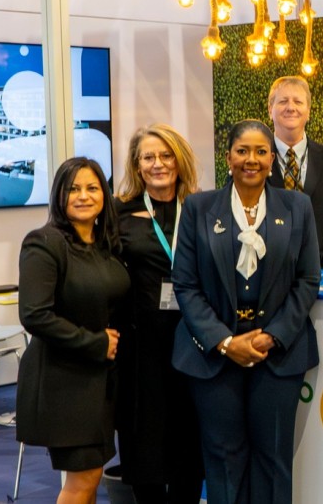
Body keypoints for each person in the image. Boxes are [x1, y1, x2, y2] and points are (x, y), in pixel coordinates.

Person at [171, 120, 322, 504]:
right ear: (229, 158)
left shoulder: (298, 206)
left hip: (278, 355)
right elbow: (186, 285)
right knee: (223, 459)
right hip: (213, 358)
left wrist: (272, 335)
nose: (250, 160)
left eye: (260, 152)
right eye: (242, 151)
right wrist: (224, 342)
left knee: (273, 458)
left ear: (272, 159)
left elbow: (308, 279)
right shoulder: (198, 207)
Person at [16, 157, 129, 504]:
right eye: (74, 189)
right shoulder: (44, 242)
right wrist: (95, 343)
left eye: (92, 188)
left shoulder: (104, 245)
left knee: (89, 480)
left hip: (100, 381)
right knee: (83, 480)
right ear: (59, 196)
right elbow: (35, 315)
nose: (84, 196)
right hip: (63, 381)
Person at [112, 124, 204, 504]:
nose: (158, 164)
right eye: (148, 157)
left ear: (180, 160)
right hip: (139, 346)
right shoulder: (118, 211)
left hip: (193, 340)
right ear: (137, 164)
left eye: (166, 156)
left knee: (189, 436)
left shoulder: (202, 208)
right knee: (143, 437)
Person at [266, 76, 323, 270]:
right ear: (270, 110)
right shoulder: (252, 162)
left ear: (308, 112)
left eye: (298, 102)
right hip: (267, 278)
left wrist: (321, 271)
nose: (290, 107)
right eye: (283, 101)